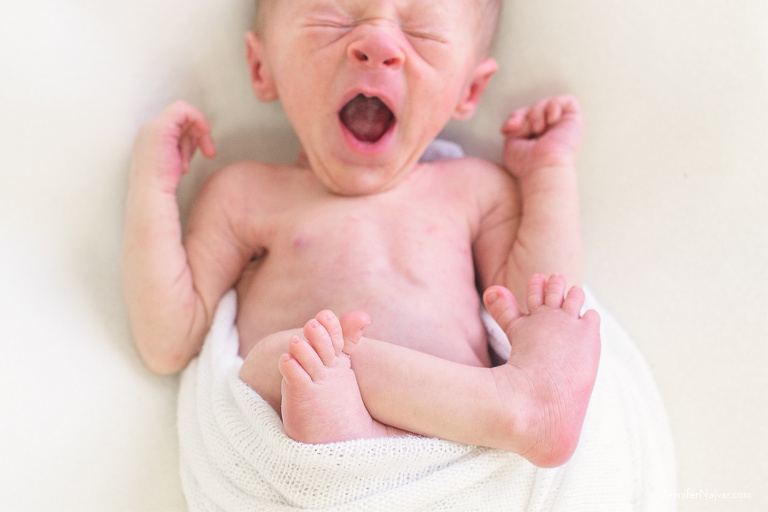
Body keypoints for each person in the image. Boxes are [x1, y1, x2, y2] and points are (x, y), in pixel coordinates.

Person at [122, 0, 601, 468]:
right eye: (334, 20)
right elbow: (169, 340)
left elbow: (544, 315)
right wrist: (152, 187)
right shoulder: (245, 195)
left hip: (448, 455)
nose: (378, 43)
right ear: (262, 66)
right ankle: (500, 411)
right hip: (300, 453)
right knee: (286, 362)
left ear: (468, 91)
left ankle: (511, 410)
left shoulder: (473, 190)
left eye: (422, 32)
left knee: (299, 358)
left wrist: (548, 174)